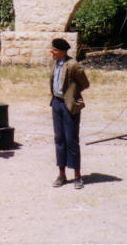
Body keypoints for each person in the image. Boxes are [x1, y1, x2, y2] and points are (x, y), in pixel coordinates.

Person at [49, 38, 90, 189]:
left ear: (61, 51)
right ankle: (61, 175)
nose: (51, 52)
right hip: (56, 104)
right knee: (59, 139)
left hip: (69, 106)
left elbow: (85, 84)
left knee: (71, 139)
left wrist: (72, 95)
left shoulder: (73, 65)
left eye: (54, 50)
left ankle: (77, 176)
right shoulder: (55, 63)